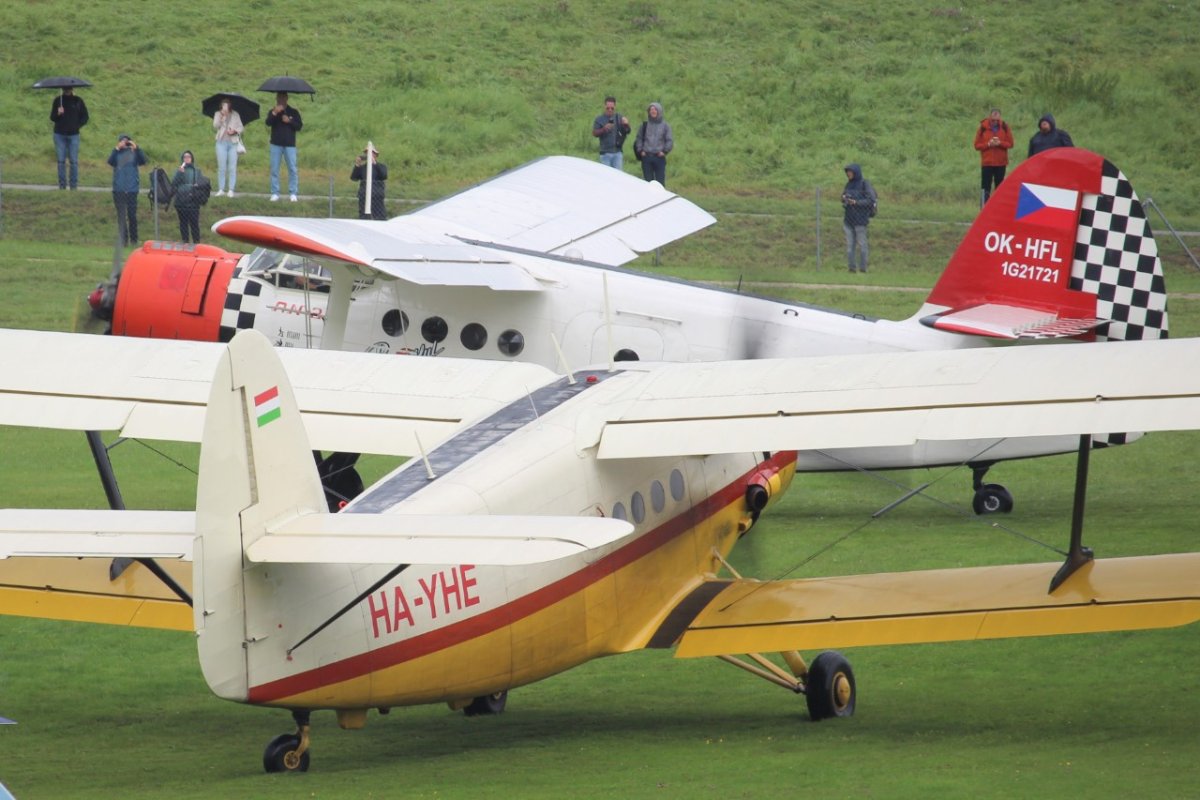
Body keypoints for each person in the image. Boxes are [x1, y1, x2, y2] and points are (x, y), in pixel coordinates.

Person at [106, 134, 147, 247]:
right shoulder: (116, 153)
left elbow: (143, 161)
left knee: (132, 215)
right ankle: (124, 240)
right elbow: (110, 161)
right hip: (118, 189)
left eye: (126, 141)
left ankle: (134, 240)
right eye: (122, 141)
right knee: (121, 216)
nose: (124, 143)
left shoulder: (134, 153)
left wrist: (137, 148)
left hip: (132, 189)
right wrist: (116, 149)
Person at [265, 91, 303, 201]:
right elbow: (268, 122)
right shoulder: (273, 111)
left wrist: (289, 121)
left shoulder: (293, 112)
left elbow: (299, 126)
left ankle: (293, 192)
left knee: (292, 168)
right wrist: (274, 113)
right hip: (275, 144)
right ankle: (275, 192)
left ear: (286, 98)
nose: (280, 100)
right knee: (274, 169)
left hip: (290, 145)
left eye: (283, 97)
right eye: (279, 98)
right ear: (276, 99)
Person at [50, 87, 89, 190]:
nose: (67, 90)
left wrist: (77, 126)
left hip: (74, 135)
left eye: (69, 88)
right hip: (59, 134)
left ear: (72, 89)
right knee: (61, 161)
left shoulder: (78, 101)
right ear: (63, 89)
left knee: (74, 161)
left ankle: (73, 186)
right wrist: (58, 113)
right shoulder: (58, 100)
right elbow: (52, 117)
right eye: (65, 88)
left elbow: (85, 117)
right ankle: (62, 186)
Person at [841, 163, 877, 274]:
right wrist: (844, 198)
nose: (848, 174)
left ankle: (863, 268)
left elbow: (870, 200)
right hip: (848, 219)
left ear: (856, 172)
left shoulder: (864, 184)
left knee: (862, 245)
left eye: (850, 172)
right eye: (847, 172)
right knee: (850, 246)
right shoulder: (848, 185)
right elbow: (843, 197)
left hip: (860, 220)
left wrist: (856, 202)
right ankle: (851, 268)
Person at [973, 108, 1013, 204]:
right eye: (993, 119)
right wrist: (988, 144)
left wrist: (1000, 143)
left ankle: (998, 208)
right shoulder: (983, 128)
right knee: (985, 187)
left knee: (999, 187)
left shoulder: (1004, 127)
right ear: (990, 116)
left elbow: (1010, 144)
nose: (995, 121)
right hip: (987, 162)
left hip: (1001, 163)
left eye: (997, 119)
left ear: (1000, 117)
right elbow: (976, 145)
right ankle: (983, 208)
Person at [634, 102, 673, 186]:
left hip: (659, 157)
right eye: (651, 109)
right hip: (646, 157)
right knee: (648, 182)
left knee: (660, 183)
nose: (653, 111)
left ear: (659, 111)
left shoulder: (665, 126)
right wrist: (640, 151)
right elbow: (639, 138)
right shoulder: (644, 125)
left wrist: (664, 151)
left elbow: (669, 140)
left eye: (655, 109)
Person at [212, 97, 244, 198]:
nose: (225, 107)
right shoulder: (218, 114)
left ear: (230, 106)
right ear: (221, 106)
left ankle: (231, 189)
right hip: (221, 142)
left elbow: (241, 127)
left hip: (233, 143)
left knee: (232, 167)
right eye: (223, 105)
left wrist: (234, 131)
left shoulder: (235, 114)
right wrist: (222, 118)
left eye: (227, 105)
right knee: (222, 167)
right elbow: (215, 126)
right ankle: (221, 189)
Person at [171, 150, 203, 243]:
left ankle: (197, 243)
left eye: (189, 156)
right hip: (181, 201)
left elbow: (201, 183)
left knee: (194, 224)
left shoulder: (197, 170)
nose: (187, 158)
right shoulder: (179, 170)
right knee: (183, 223)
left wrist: (198, 186)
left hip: (193, 201)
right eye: (185, 157)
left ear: (192, 158)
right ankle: (185, 242)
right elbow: (174, 183)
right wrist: (180, 172)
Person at [592, 96, 631, 169]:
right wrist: (603, 129)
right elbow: (594, 133)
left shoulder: (619, 117)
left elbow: (627, 131)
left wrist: (626, 124)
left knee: (618, 176)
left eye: (612, 108)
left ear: (615, 107)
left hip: (618, 153)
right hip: (605, 153)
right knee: (606, 177)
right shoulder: (599, 119)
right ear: (604, 106)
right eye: (608, 108)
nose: (610, 110)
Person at [350, 146, 388, 220]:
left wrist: (374, 162)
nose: (369, 155)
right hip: (364, 195)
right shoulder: (363, 168)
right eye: (367, 153)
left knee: (379, 216)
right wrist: (357, 165)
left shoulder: (381, 166)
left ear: (375, 155)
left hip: (377, 195)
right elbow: (354, 178)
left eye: (371, 153)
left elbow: (383, 175)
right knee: (363, 215)